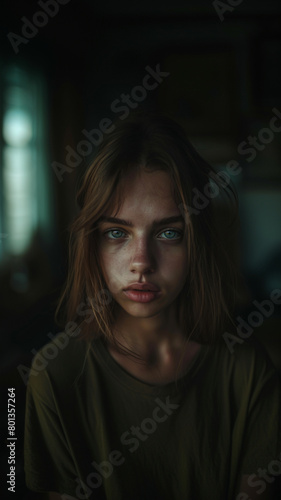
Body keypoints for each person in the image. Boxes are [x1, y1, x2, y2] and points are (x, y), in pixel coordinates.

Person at [24, 112, 281, 500]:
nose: (141, 261)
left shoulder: (247, 372)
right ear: (92, 245)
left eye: (168, 233)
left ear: (196, 243)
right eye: (116, 233)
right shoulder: (55, 376)